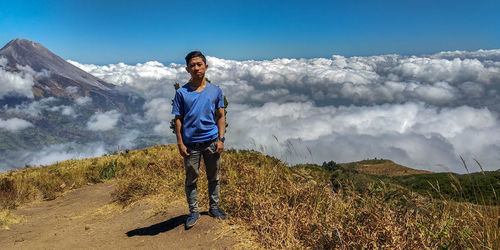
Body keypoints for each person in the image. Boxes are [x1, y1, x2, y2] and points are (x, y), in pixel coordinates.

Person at [172, 51, 226, 229]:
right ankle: (194, 211)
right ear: (187, 69)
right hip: (191, 145)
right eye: (192, 65)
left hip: (211, 141)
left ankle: (214, 208)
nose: (196, 68)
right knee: (191, 179)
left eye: (199, 64)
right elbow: (178, 119)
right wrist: (180, 142)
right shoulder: (181, 93)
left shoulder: (215, 91)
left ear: (206, 67)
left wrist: (221, 139)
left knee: (214, 177)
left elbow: (220, 116)